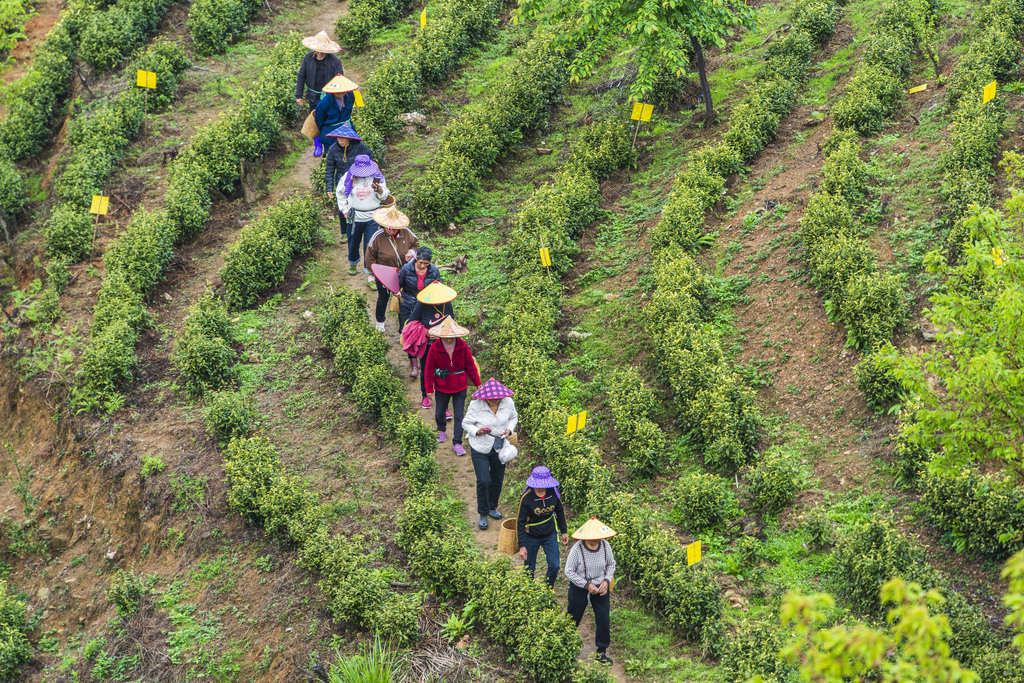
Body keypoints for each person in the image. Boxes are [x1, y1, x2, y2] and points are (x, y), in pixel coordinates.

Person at [462, 378, 518, 529]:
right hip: (480, 447)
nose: (495, 401)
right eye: (491, 399)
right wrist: (477, 431)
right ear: (485, 397)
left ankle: (492, 507)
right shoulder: (476, 405)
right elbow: (466, 423)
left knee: (497, 479)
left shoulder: (508, 403)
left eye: (497, 399)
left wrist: (509, 430)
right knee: (484, 481)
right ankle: (483, 512)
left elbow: (513, 418)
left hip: (500, 446)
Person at [423, 316, 481, 456]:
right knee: (439, 412)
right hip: (442, 386)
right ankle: (441, 429)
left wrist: (477, 382)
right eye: (446, 337)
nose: (449, 340)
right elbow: (429, 369)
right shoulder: (435, 347)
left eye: (451, 337)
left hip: (460, 386)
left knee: (459, 415)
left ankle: (457, 442)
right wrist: (429, 389)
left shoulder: (463, 346)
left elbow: (470, 366)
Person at [565, 517, 617, 665]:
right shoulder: (577, 549)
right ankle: (565, 647)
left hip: (600, 586)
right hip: (580, 586)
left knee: (603, 619)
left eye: (596, 538)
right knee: (573, 617)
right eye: (590, 539)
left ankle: (601, 651)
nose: (593, 541)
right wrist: (587, 585)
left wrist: (606, 581)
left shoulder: (606, 546)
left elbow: (611, 565)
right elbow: (569, 571)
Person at [365, 205, 418, 332]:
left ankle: (403, 327)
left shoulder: (407, 233)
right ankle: (380, 320)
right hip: (384, 274)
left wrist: (411, 252)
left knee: (403, 299)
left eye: (394, 228)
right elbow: (369, 258)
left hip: (403, 273)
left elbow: (416, 244)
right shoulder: (377, 237)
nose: (391, 230)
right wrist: (376, 273)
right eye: (388, 228)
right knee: (383, 298)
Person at [336, 154, 388, 277]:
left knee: (371, 246)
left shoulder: (377, 177)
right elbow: (340, 193)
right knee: (353, 242)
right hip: (355, 217)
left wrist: (379, 191)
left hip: (373, 217)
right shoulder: (348, 176)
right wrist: (345, 210)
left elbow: (385, 195)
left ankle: (370, 273)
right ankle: (353, 262)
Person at [517, 466, 569, 588]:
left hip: (550, 534)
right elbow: (520, 522)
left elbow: (560, 511)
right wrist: (522, 545)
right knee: (529, 567)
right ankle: (529, 590)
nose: (541, 488)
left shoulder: (552, 493)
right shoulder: (526, 498)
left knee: (555, 565)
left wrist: (564, 531)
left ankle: (547, 588)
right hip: (531, 536)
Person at [408, 280, 455, 404]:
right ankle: (425, 396)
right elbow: (411, 323)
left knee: (444, 371)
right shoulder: (422, 305)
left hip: (444, 344)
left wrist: (444, 332)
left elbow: (452, 322)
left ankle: (443, 402)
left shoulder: (447, 304)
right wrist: (426, 333)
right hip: (427, 344)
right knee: (426, 370)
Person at [325, 123, 373, 243]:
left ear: (349, 138)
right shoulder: (333, 149)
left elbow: (370, 156)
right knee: (342, 206)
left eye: (343, 138)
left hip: (357, 180)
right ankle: (344, 233)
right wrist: (329, 187)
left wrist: (366, 170)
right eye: (338, 138)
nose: (340, 140)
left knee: (357, 203)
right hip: (341, 180)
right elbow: (330, 168)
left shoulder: (359, 147)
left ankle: (358, 229)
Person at [398, 248, 443, 377]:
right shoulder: (407, 269)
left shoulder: (434, 271)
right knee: (409, 331)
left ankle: (425, 360)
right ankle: (413, 363)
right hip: (408, 303)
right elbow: (398, 284)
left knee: (425, 332)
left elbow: (437, 286)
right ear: (416, 258)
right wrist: (397, 292)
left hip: (426, 305)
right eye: (421, 262)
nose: (422, 265)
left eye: (426, 263)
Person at [296, 32, 343, 128]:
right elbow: (301, 76)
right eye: (318, 50)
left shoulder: (335, 61)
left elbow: (339, 80)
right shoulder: (308, 58)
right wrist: (298, 96)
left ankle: (328, 141)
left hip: (329, 97)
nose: (320, 54)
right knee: (315, 121)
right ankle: (317, 142)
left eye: (322, 51)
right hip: (313, 96)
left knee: (328, 121)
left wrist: (340, 97)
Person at [314, 74, 358, 157]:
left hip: (347, 129)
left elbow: (349, 110)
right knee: (330, 156)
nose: (341, 93)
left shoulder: (350, 96)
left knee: (349, 155)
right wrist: (327, 129)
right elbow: (319, 121)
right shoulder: (324, 104)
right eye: (338, 92)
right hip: (330, 133)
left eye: (343, 91)